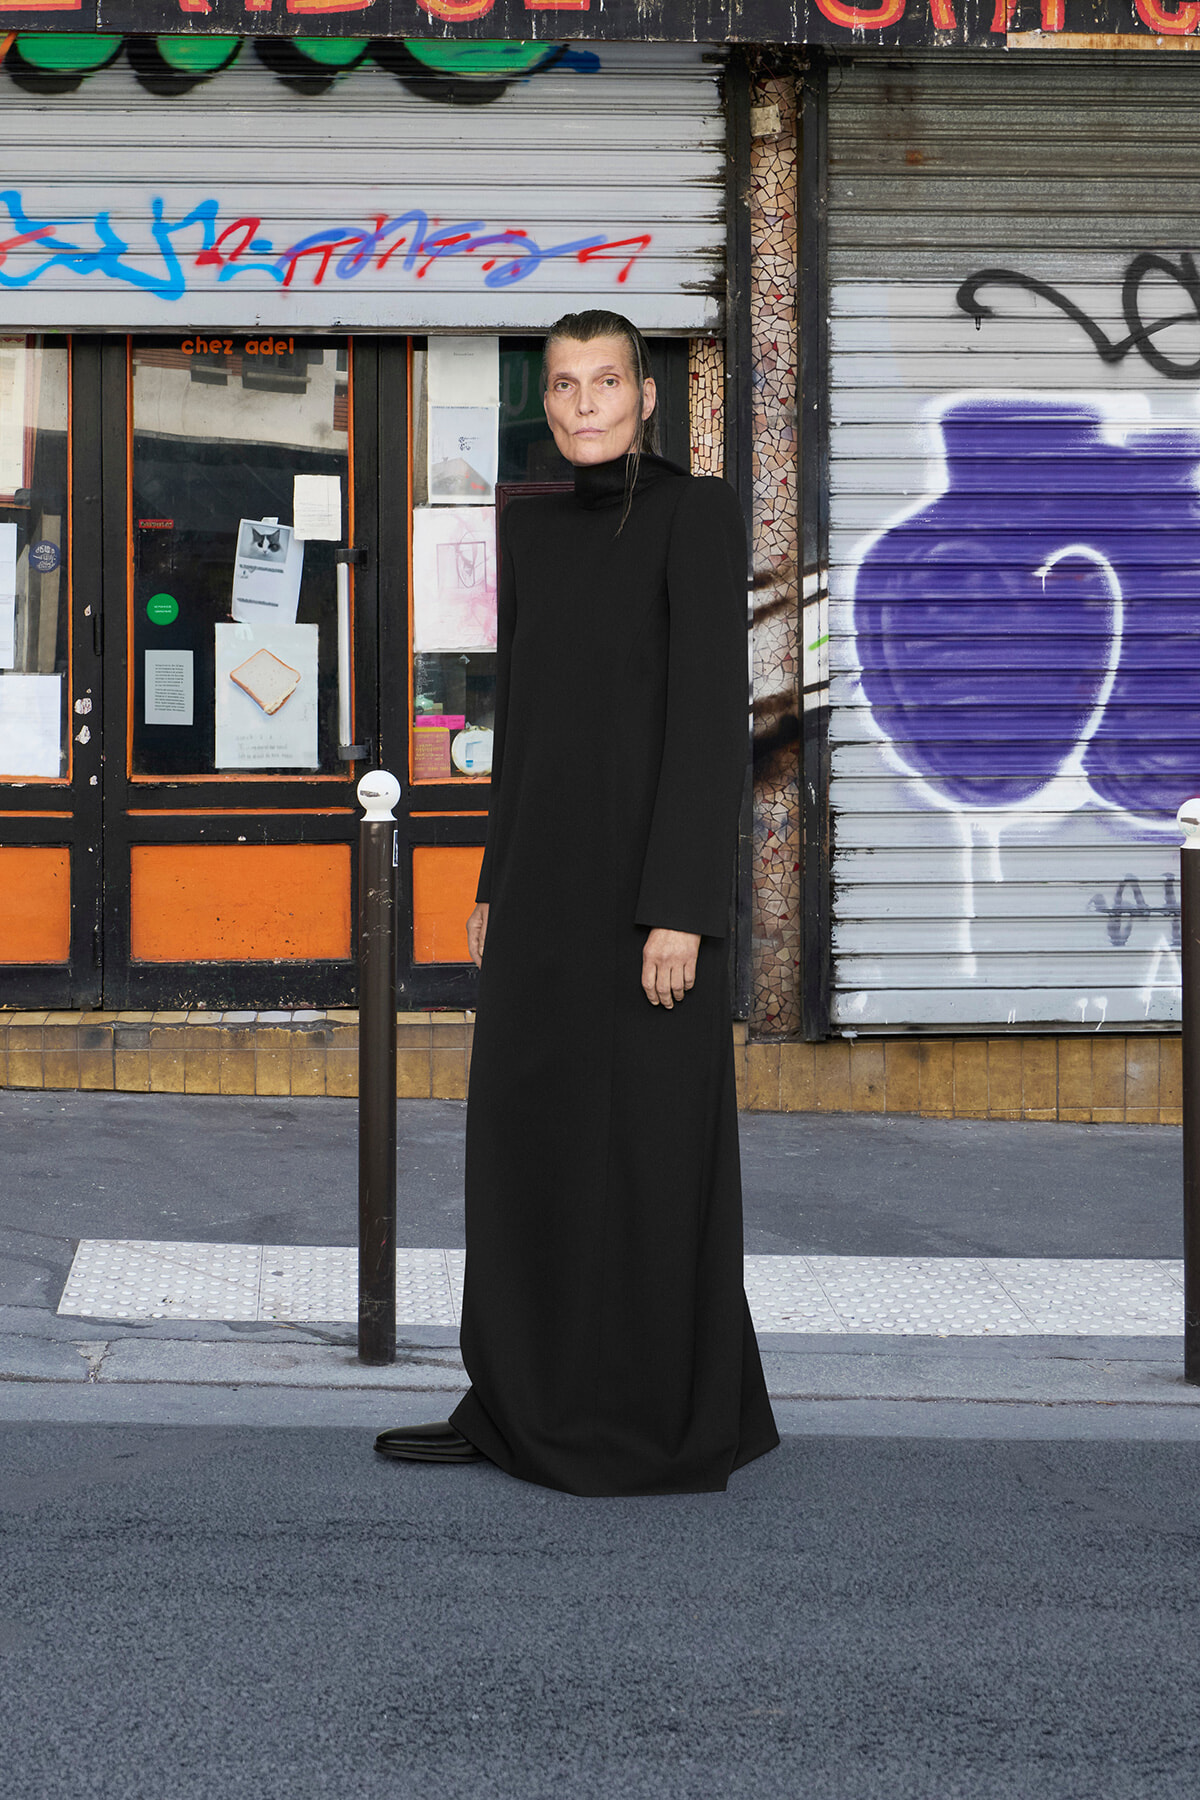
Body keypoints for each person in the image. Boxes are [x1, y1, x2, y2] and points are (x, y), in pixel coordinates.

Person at [375, 310, 779, 1496]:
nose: (586, 402)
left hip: (650, 896)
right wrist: (495, 887)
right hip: (544, 895)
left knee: (652, 1156)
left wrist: (685, 909)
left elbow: (713, 722)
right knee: (527, 1144)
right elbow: (530, 731)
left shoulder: (694, 517)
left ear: (646, 396)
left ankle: (655, 1416)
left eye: (607, 381)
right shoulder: (533, 530)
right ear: (545, 401)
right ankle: (521, 1400)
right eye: (564, 384)